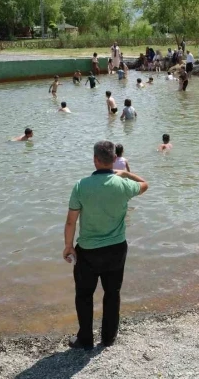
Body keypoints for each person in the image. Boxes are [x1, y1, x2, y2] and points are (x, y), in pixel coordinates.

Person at [63, 140, 148, 349]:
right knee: (112, 293)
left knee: (84, 295)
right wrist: (126, 174)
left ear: (95, 160)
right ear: (113, 160)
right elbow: (145, 184)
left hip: (88, 252)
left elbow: (71, 221)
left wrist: (68, 245)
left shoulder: (81, 186)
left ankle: (86, 339)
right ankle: (108, 337)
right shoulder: (123, 185)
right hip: (116, 249)